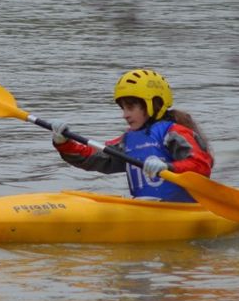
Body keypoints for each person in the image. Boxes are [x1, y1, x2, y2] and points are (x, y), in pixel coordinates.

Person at [50, 69, 213, 203]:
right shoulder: (128, 140)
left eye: (130, 107)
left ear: (153, 104)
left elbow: (202, 165)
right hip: (144, 207)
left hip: (181, 210)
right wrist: (64, 143)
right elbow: (94, 156)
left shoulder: (174, 133)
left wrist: (169, 167)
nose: (125, 115)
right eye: (123, 108)